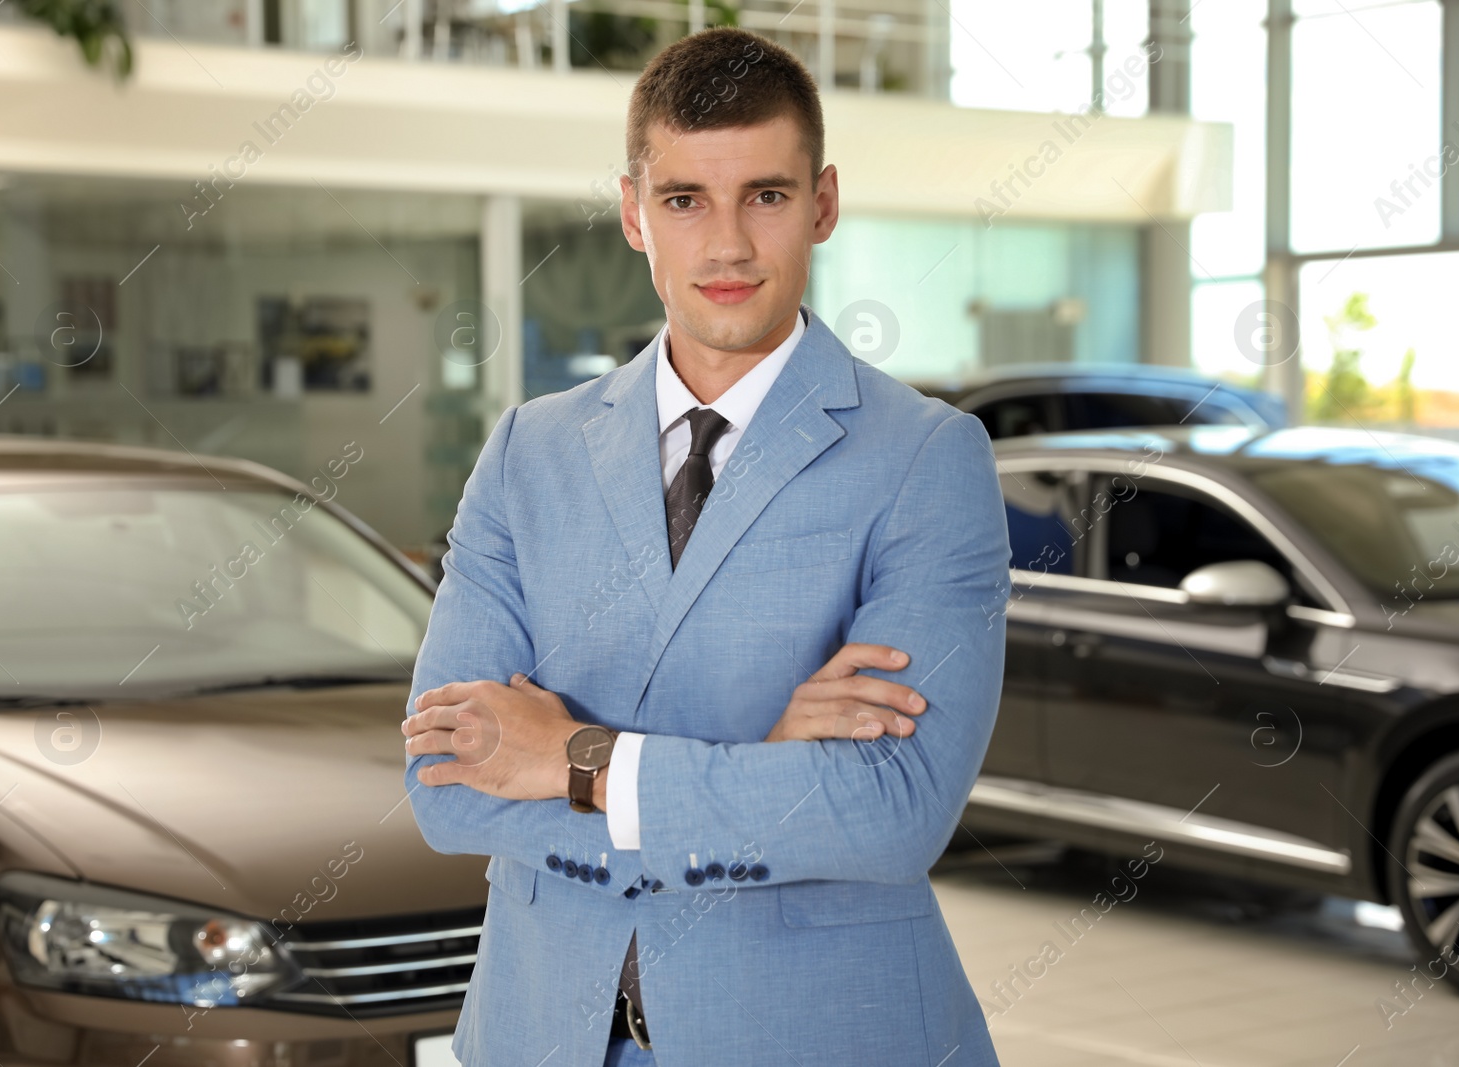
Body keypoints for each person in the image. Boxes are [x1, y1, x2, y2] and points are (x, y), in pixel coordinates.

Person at [402, 26, 1010, 1067]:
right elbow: (446, 785)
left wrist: (575, 757)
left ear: (820, 202)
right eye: (685, 199)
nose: (726, 245)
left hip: (813, 1034)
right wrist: (766, 764)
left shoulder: (927, 459)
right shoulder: (525, 451)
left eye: (764, 196)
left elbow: (890, 812)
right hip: (546, 1033)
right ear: (635, 212)